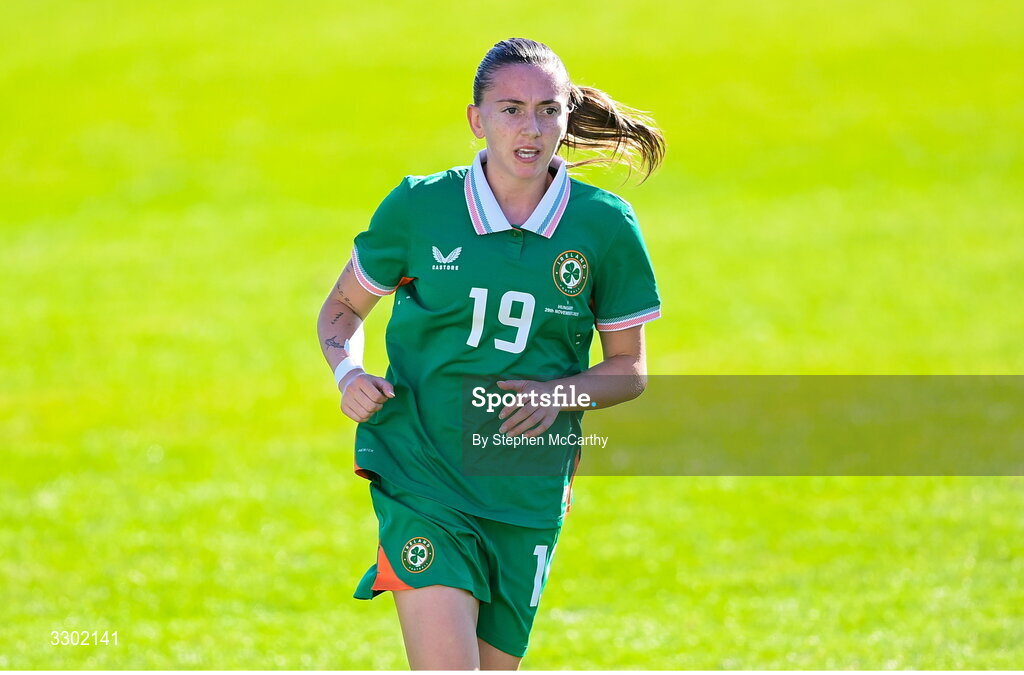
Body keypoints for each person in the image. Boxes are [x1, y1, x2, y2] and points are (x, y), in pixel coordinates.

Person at [317, 37, 665, 670]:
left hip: (527, 490)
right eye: (510, 109)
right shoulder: (420, 207)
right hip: (422, 475)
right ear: (476, 120)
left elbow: (629, 370)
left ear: (566, 115)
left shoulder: (606, 226)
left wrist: (556, 395)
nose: (530, 129)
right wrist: (348, 373)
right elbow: (340, 312)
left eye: (547, 109)